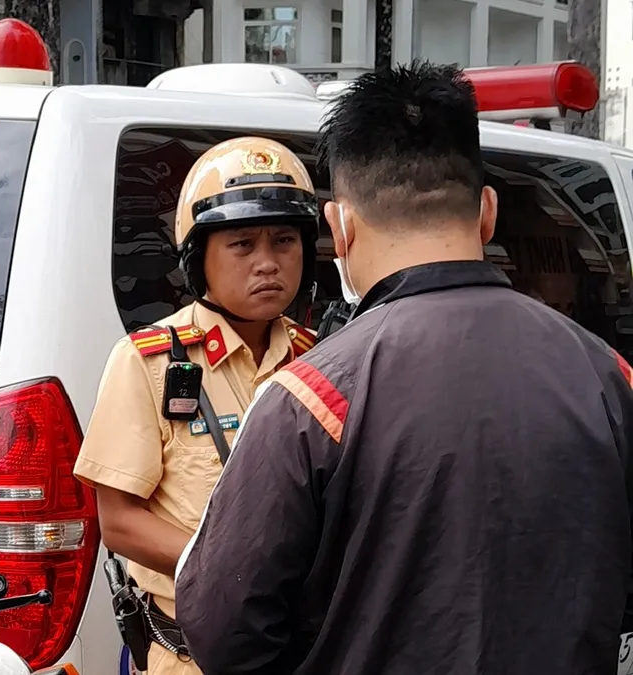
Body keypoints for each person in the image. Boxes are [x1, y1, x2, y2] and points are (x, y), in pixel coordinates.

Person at [174, 62, 633, 674]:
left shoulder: (311, 398)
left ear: (340, 229)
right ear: (487, 213)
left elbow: (225, 628)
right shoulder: (608, 376)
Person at [73, 136, 320, 675]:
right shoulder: (147, 362)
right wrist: (234, 568)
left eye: (284, 241)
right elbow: (117, 522)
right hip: (189, 656)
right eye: (242, 244)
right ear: (198, 258)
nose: (267, 264)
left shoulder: (317, 357)